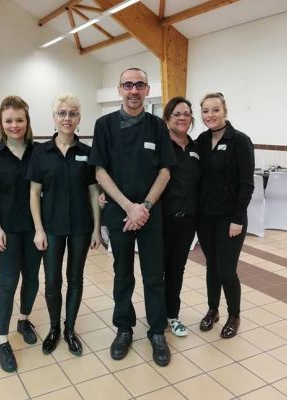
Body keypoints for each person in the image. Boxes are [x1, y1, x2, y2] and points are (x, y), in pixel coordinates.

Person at [89, 68, 177, 367]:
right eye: (128, 85)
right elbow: (100, 171)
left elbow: (165, 171)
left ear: (147, 89)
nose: (134, 91)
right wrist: (129, 207)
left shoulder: (157, 126)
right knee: (122, 273)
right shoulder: (104, 125)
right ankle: (124, 329)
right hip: (119, 212)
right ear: (119, 90)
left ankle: (156, 332)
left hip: (151, 214)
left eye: (140, 85)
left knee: (154, 275)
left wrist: (145, 207)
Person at [28, 93, 101, 356]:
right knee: (52, 280)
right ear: (54, 118)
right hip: (51, 227)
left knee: (75, 278)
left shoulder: (87, 153)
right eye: (62, 113)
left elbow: (93, 192)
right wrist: (38, 229)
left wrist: (97, 229)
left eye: (72, 113)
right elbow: (34, 193)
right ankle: (54, 328)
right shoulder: (40, 152)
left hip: (81, 226)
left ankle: (70, 329)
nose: (67, 118)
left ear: (79, 118)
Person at [0, 96, 42, 372]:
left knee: (32, 279)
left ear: (27, 121)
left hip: (34, 229)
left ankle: (24, 320)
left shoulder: (39, 152)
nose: (14, 125)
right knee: (7, 283)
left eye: (19, 119)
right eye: (8, 120)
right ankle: (2, 341)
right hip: (6, 231)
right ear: (1, 124)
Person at [196, 92, 254, 339]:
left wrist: (238, 218)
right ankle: (213, 310)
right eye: (205, 111)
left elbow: (247, 184)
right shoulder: (201, 140)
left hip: (230, 218)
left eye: (215, 110)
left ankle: (234, 315)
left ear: (225, 111)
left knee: (227, 269)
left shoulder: (239, 140)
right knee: (212, 267)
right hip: (205, 218)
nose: (210, 115)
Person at [161, 97, 201, 337]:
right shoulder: (161, 145)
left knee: (177, 269)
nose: (182, 118)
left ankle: (172, 315)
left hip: (187, 221)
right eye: (177, 114)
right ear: (167, 119)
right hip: (161, 219)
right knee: (157, 270)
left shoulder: (197, 148)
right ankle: (156, 316)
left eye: (186, 114)